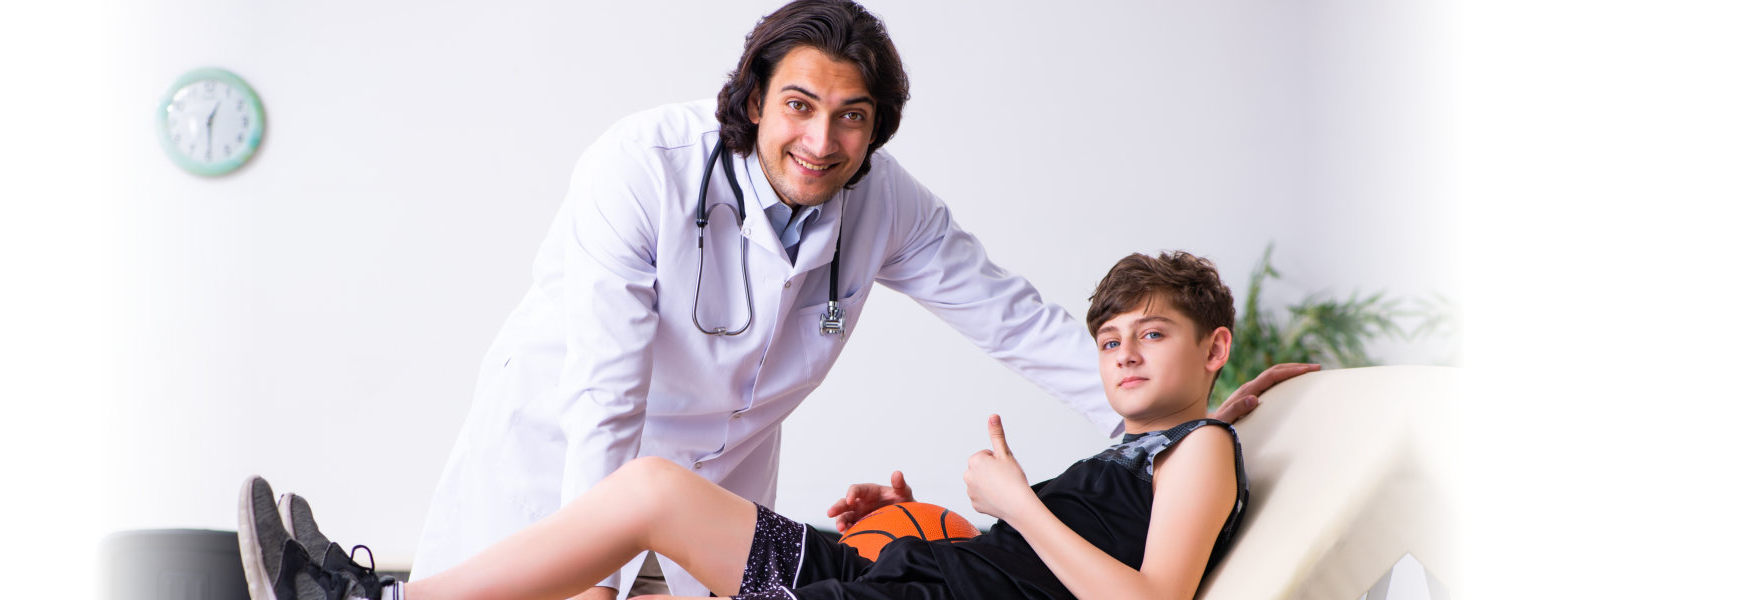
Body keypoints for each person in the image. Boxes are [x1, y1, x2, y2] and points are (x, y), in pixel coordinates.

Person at [415, 1, 1314, 597]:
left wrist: (1176, 429)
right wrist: (596, 588)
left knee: (662, 506)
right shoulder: (644, 165)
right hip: (568, 456)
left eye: (852, 116)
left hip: (734, 495)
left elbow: (1014, 320)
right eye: (799, 106)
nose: (822, 139)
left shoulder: (885, 202)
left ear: (877, 126)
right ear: (753, 101)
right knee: (603, 526)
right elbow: (606, 392)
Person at [240, 250, 1251, 600]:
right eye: (1109, 337)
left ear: (1212, 349)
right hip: (892, 579)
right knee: (649, 492)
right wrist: (934, 517)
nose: (1119, 352)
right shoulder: (1155, 448)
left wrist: (1018, 504)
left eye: (1150, 335)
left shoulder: (1199, 451)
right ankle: (379, 595)